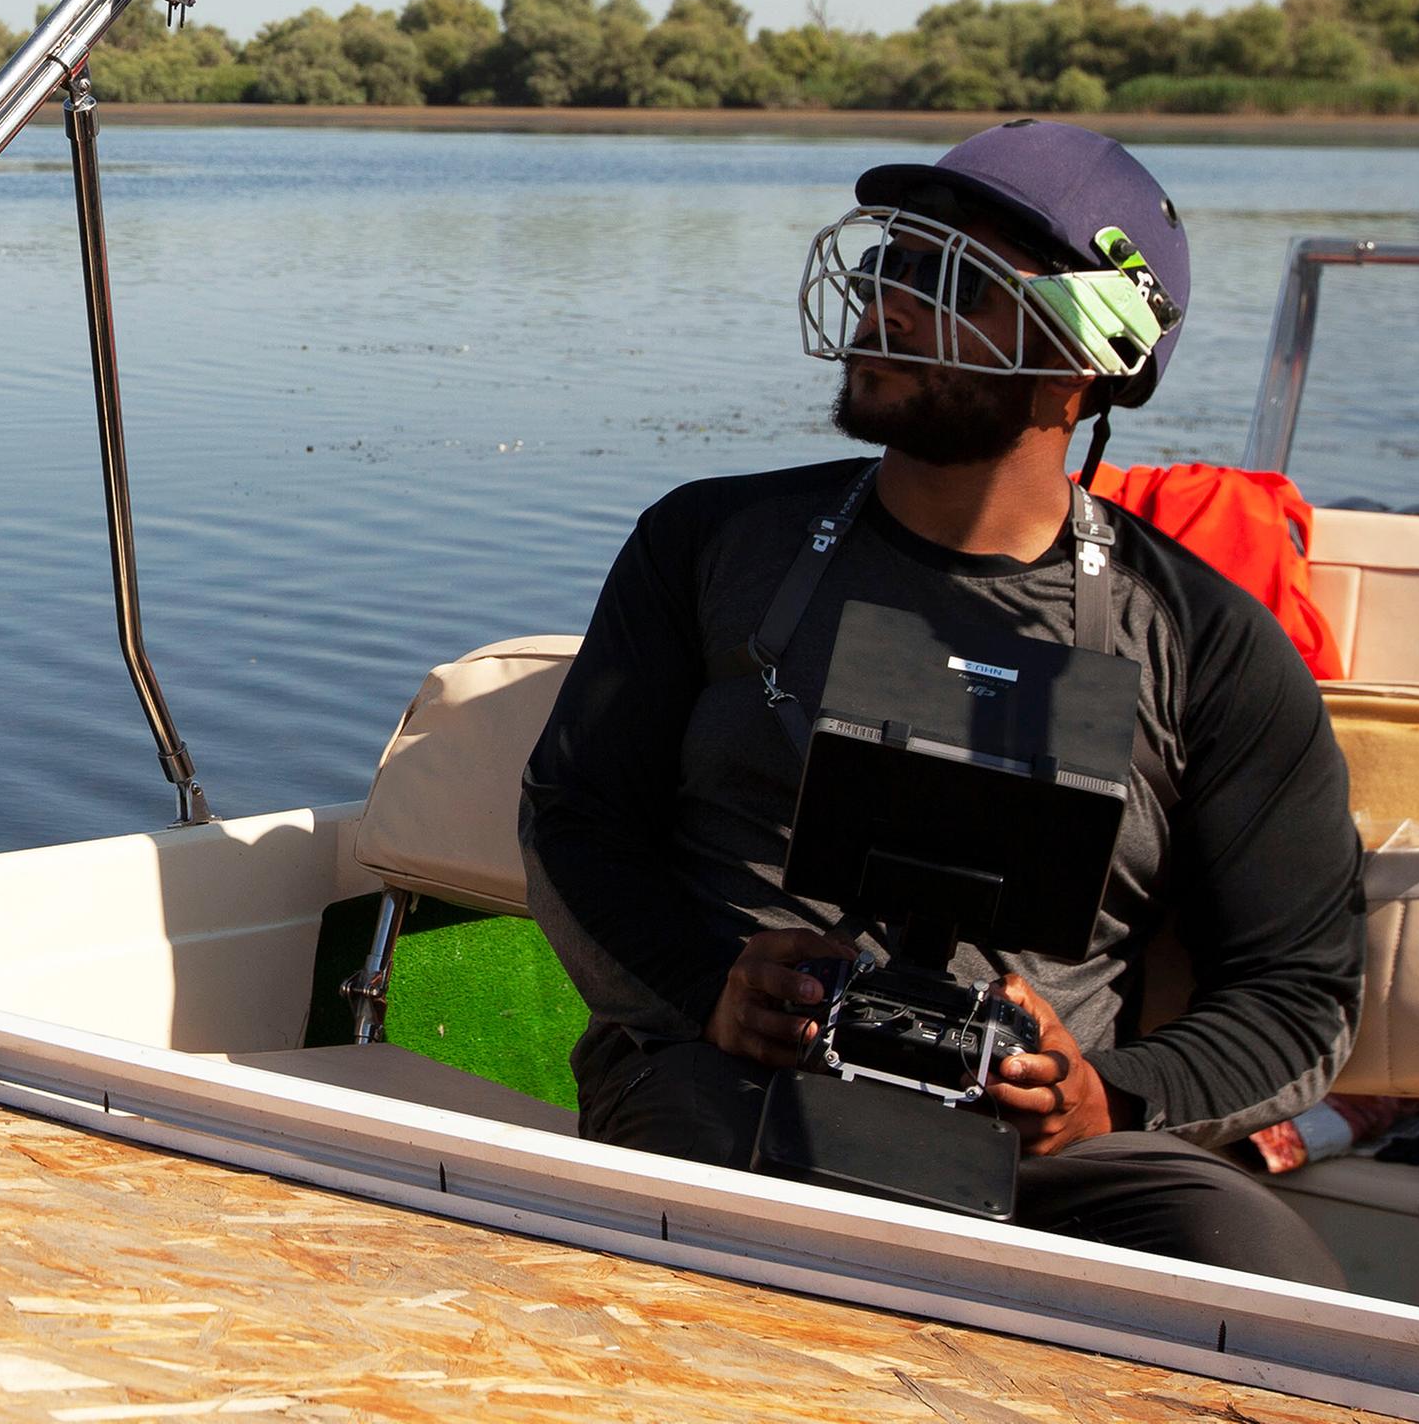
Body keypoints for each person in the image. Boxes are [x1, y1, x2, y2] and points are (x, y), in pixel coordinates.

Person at [517, 120, 1361, 1284]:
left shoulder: (1210, 647)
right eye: (891, 264)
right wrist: (709, 987)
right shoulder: (707, 546)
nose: (889, 303)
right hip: (731, 1091)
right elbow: (574, 820)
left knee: (1268, 1275)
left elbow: (1299, 989)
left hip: (1034, 1162)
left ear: (1088, 352)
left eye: (948, 278)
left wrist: (1104, 1096)